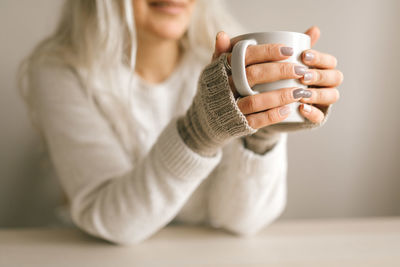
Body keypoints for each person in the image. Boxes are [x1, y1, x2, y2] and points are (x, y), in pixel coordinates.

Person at [20, 0, 342, 244]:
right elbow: (113, 222)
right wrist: (197, 133)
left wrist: (261, 134)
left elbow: (242, 221)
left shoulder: (225, 61)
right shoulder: (60, 71)